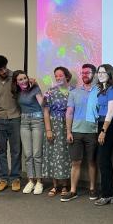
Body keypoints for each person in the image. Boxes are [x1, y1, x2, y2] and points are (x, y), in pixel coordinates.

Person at [63, 64, 98, 201]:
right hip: (76, 132)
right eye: (82, 73)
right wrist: (68, 132)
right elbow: (69, 112)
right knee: (75, 162)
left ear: (94, 74)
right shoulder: (74, 92)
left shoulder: (99, 91)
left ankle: (92, 189)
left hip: (92, 132)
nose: (84, 75)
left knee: (91, 162)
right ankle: (73, 191)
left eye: (87, 72)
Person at [0, 55, 22, 192]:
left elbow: (27, 86)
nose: (4, 71)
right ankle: (2, 179)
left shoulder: (15, 77)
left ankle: (15, 178)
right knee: (1, 151)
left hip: (15, 117)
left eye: (4, 67)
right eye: (0, 70)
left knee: (16, 150)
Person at [12, 70, 47, 195]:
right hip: (24, 122)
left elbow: (42, 103)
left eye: (25, 78)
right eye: (20, 79)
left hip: (37, 121)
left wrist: (41, 91)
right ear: (16, 82)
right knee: (28, 154)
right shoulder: (17, 92)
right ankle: (31, 180)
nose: (23, 81)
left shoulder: (35, 89)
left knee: (37, 153)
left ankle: (39, 181)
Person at [42, 66, 72, 197]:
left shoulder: (73, 91)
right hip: (54, 126)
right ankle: (55, 185)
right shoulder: (50, 91)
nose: (58, 78)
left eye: (60, 75)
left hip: (68, 126)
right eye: (56, 76)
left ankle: (65, 185)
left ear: (67, 76)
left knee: (66, 154)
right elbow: (46, 111)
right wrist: (48, 130)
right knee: (53, 154)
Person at [94, 64, 113, 206]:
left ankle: (107, 194)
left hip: (108, 126)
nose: (100, 74)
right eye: (99, 72)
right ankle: (109, 193)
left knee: (103, 160)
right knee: (103, 160)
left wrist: (103, 131)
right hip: (101, 124)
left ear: (109, 74)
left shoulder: (112, 90)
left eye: (103, 72)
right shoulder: (102, 89)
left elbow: (111, 112)